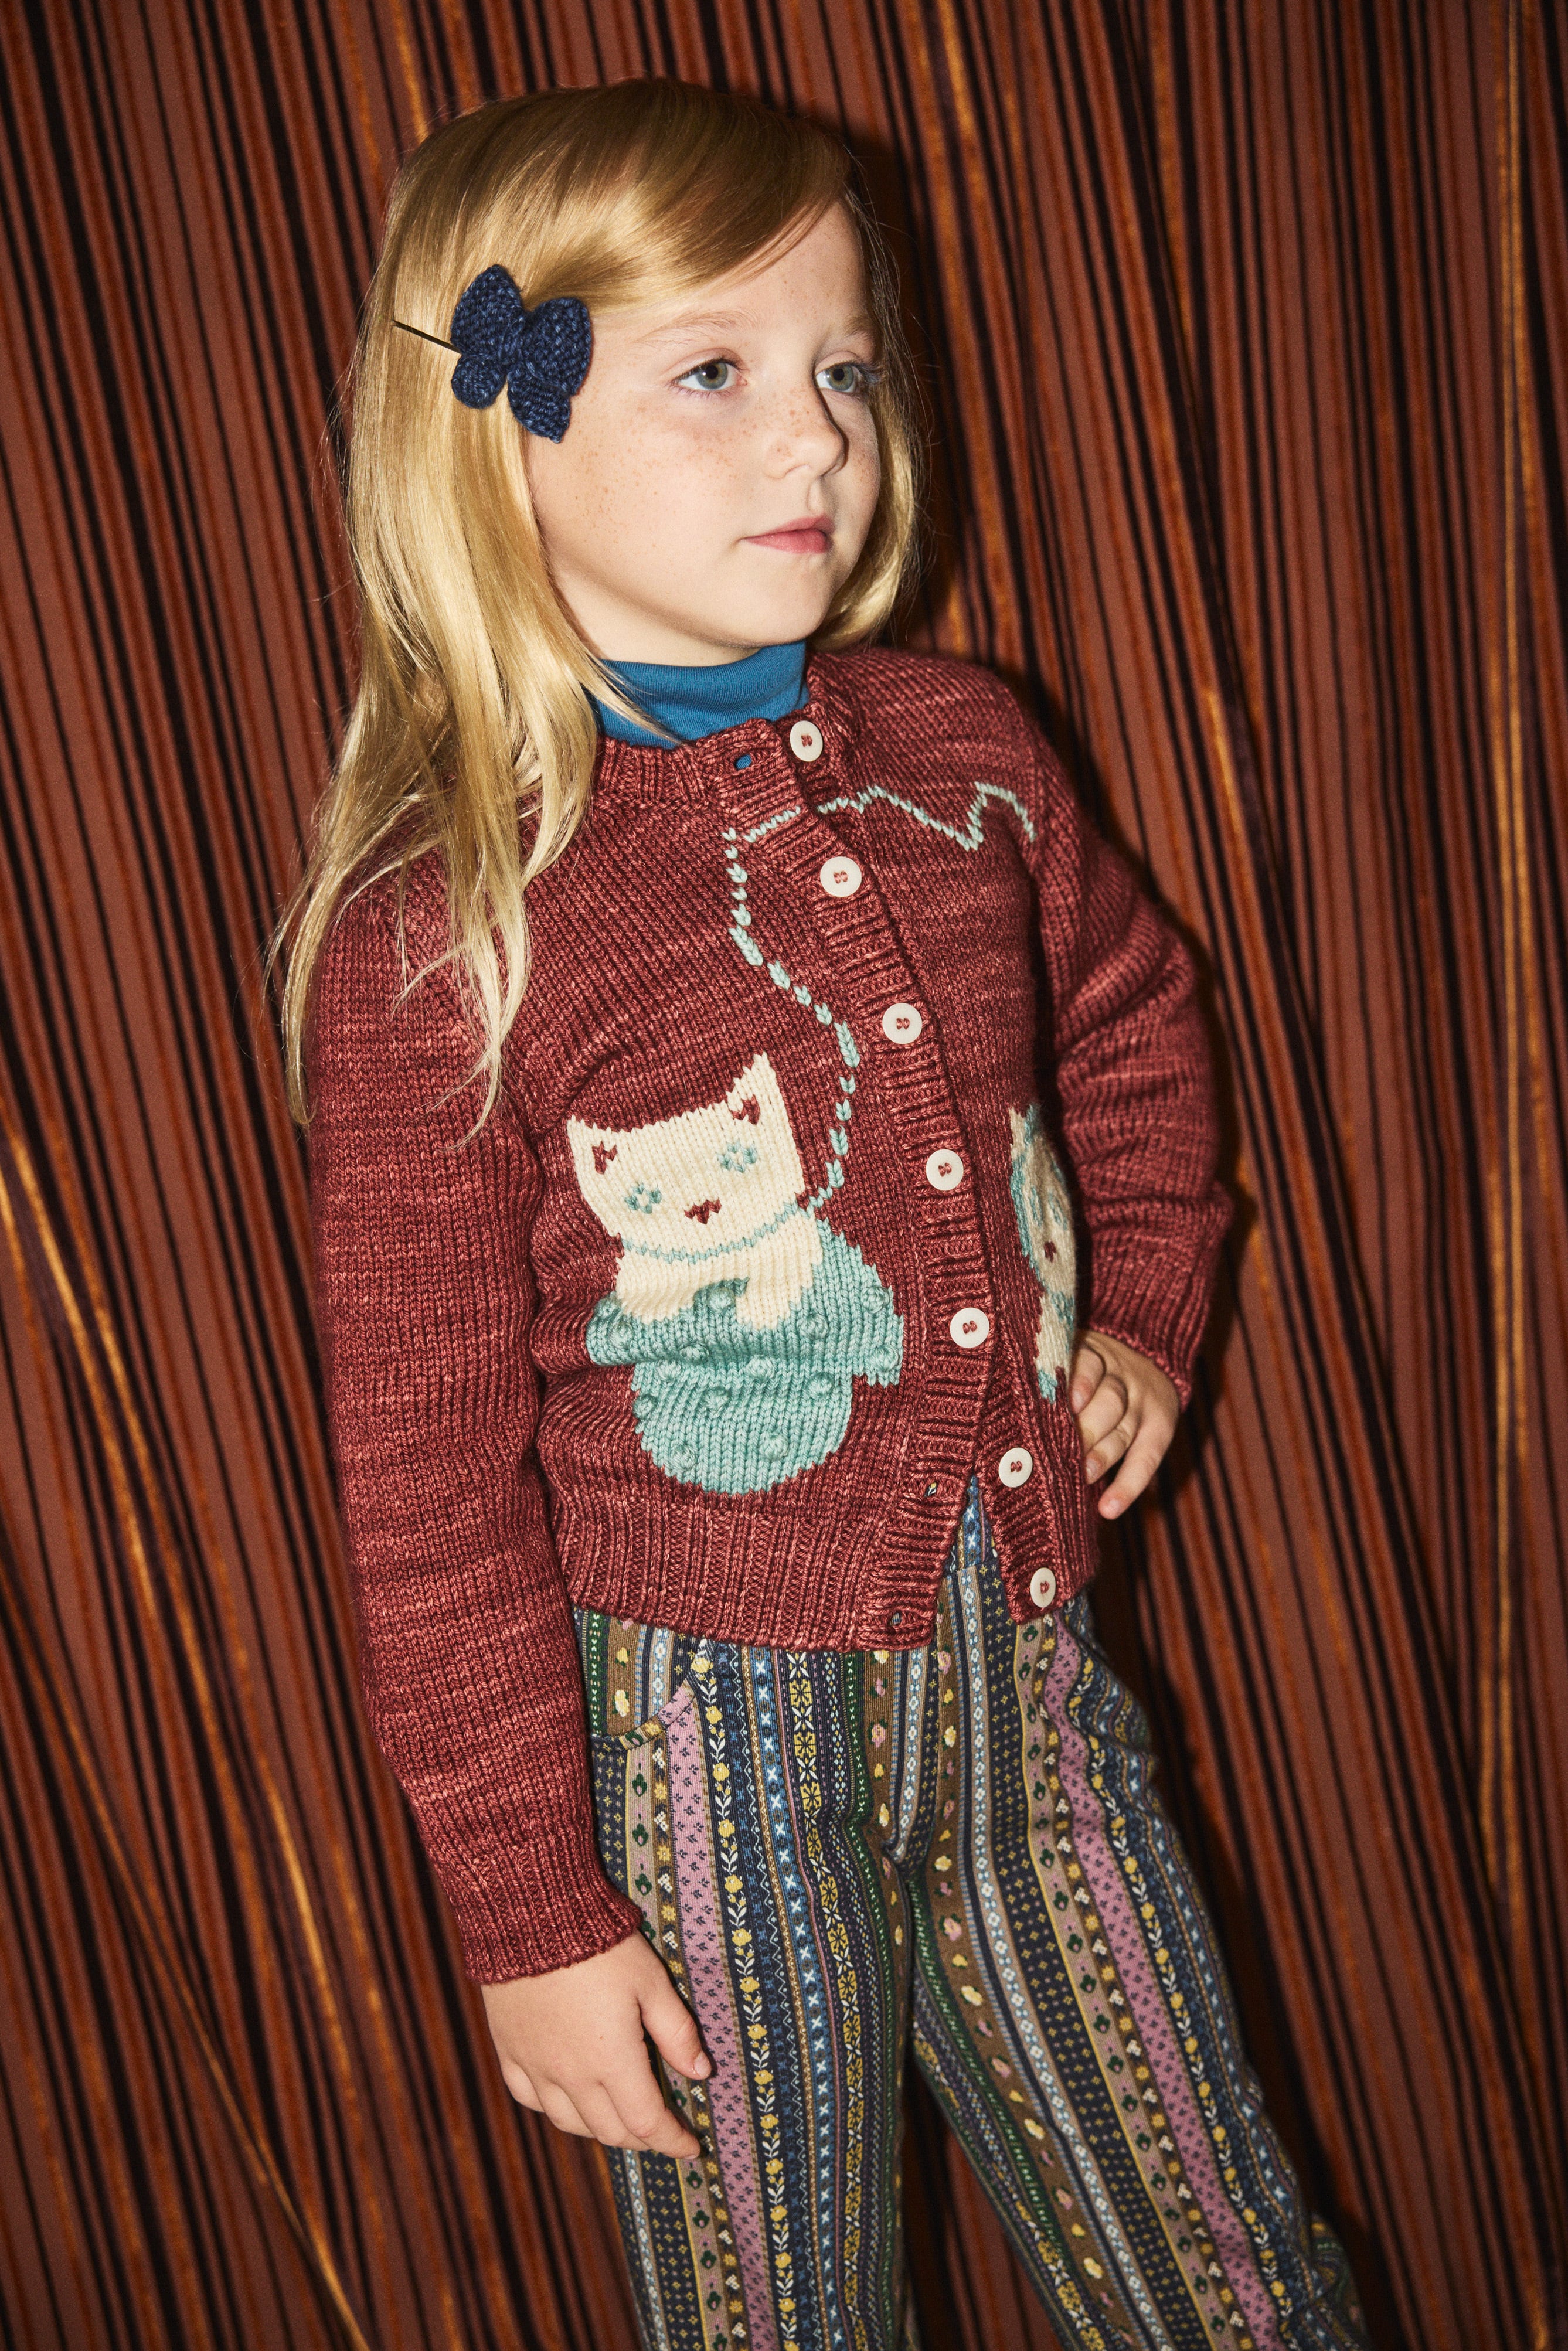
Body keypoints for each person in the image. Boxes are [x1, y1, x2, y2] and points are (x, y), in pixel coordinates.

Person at [275, 77, 1368, 2351]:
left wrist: (1144, 1311)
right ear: (501, 428)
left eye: (846, 367)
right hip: (699, 1761)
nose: (819, 438)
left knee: (1232, 2275)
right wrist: (527, 1910)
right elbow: (426, 1484)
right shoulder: (452, 920)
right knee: (776, 2308)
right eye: (717, 372)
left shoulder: (965, 750)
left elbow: (1134, 1030)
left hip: (1030, 1689)